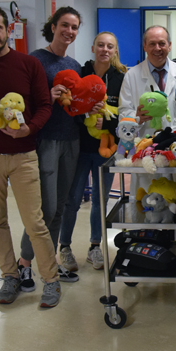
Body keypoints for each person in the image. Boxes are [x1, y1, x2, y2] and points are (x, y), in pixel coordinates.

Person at [0, 3, 61, 308]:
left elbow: (45, 105)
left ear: (9, 30)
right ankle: (10, 275)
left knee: (35, 222)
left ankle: (51, 280)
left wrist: (27, 129)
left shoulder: (28, 65)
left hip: (24, 154)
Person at [16, 7, 83, 292]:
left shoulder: (75, 65)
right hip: (46, 140)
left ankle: (49, 262)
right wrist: (48, 95)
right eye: (65, 25)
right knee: (44, 208)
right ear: (53, 26)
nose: (69, 31)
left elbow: (77, 105)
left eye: (74, 27)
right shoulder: (35, 60)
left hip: (71, 139)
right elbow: (23, 101)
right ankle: (24, 264)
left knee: (60, 208)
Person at [59, 32, 126, 271]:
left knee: (101, 199)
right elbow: (68, 107)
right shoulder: (79, 74)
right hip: (78, 147)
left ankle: (95, 246)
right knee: (73, 199)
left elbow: (125, 114)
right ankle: (64, 247)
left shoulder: (121, 78)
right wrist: (85, 113)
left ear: (115, 50)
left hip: (105, 149)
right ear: (92, 47)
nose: (104, 50)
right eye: (100, 45)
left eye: (110, 46)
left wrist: (107, 123)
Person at [118, 25, 176, 139]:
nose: (157, 48)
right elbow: (123, 110)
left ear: (169, 46)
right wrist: (136, 117)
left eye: (162, 43)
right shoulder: (131, 75)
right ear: (145, 46)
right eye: (152, 44)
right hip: (143, 141)